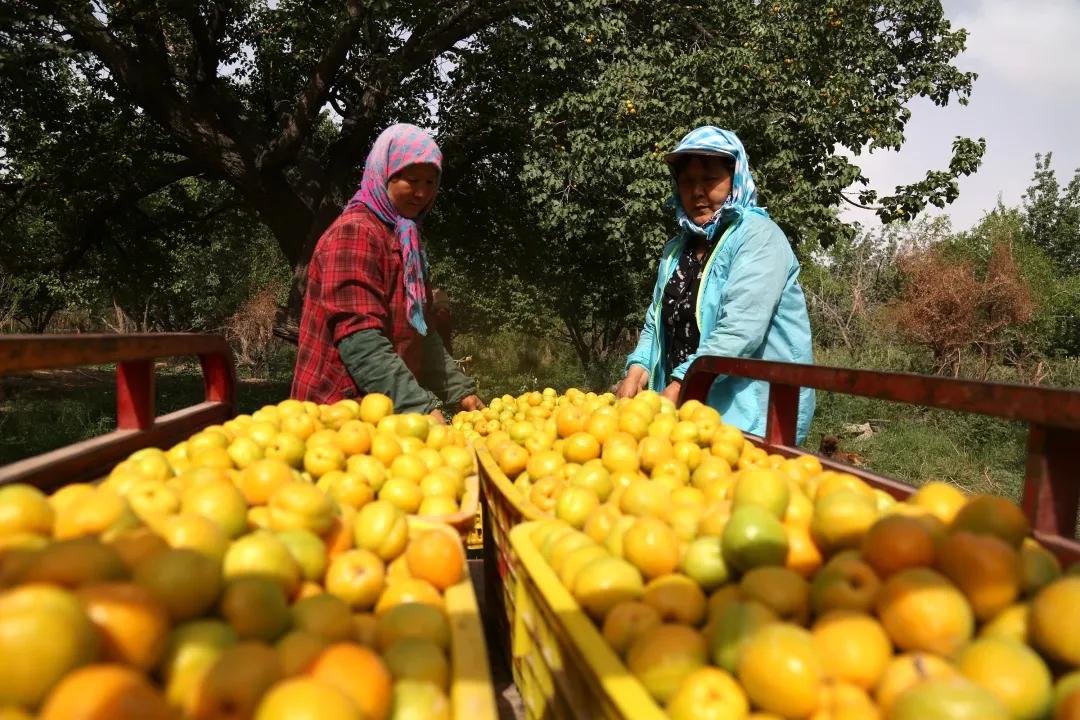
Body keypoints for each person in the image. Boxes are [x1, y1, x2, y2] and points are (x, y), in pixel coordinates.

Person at [617, 126, 815, 442]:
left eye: (709, 179)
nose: (697, 192)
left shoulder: (758, 237)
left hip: (751, 419)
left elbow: (739, 333)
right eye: (686, 181)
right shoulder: (675, 251)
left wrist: (682, 384)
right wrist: (637, 371)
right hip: (687, 413)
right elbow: (655, 325)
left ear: (735, 178)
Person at [291, 123, 483, 422]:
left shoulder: (405, 238)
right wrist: (418, 407)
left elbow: (422, 330)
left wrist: (460, 391)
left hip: (382, 413)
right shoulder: (355, 233)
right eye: (412, 180)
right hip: (337, 414)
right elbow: (360, 339)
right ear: (384, 174)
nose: (421, 193)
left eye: (431, 182)